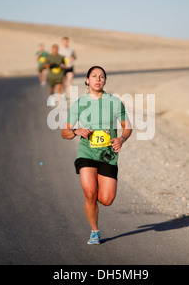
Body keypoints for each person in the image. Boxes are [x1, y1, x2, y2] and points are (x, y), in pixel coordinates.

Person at [61, 66, 132, 245]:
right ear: (87, 80)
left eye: (101, 76)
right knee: (89, 193)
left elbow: (128, 127)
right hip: (87, 152)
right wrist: (76, 131)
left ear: (105, 81)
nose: (98, 79)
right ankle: (94, 231)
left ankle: (98, 189)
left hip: (108, 154)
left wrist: (122, 139)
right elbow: (64, 132)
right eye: (94, 76)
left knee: (106, 200)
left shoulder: (115, 102)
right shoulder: (79, 103)